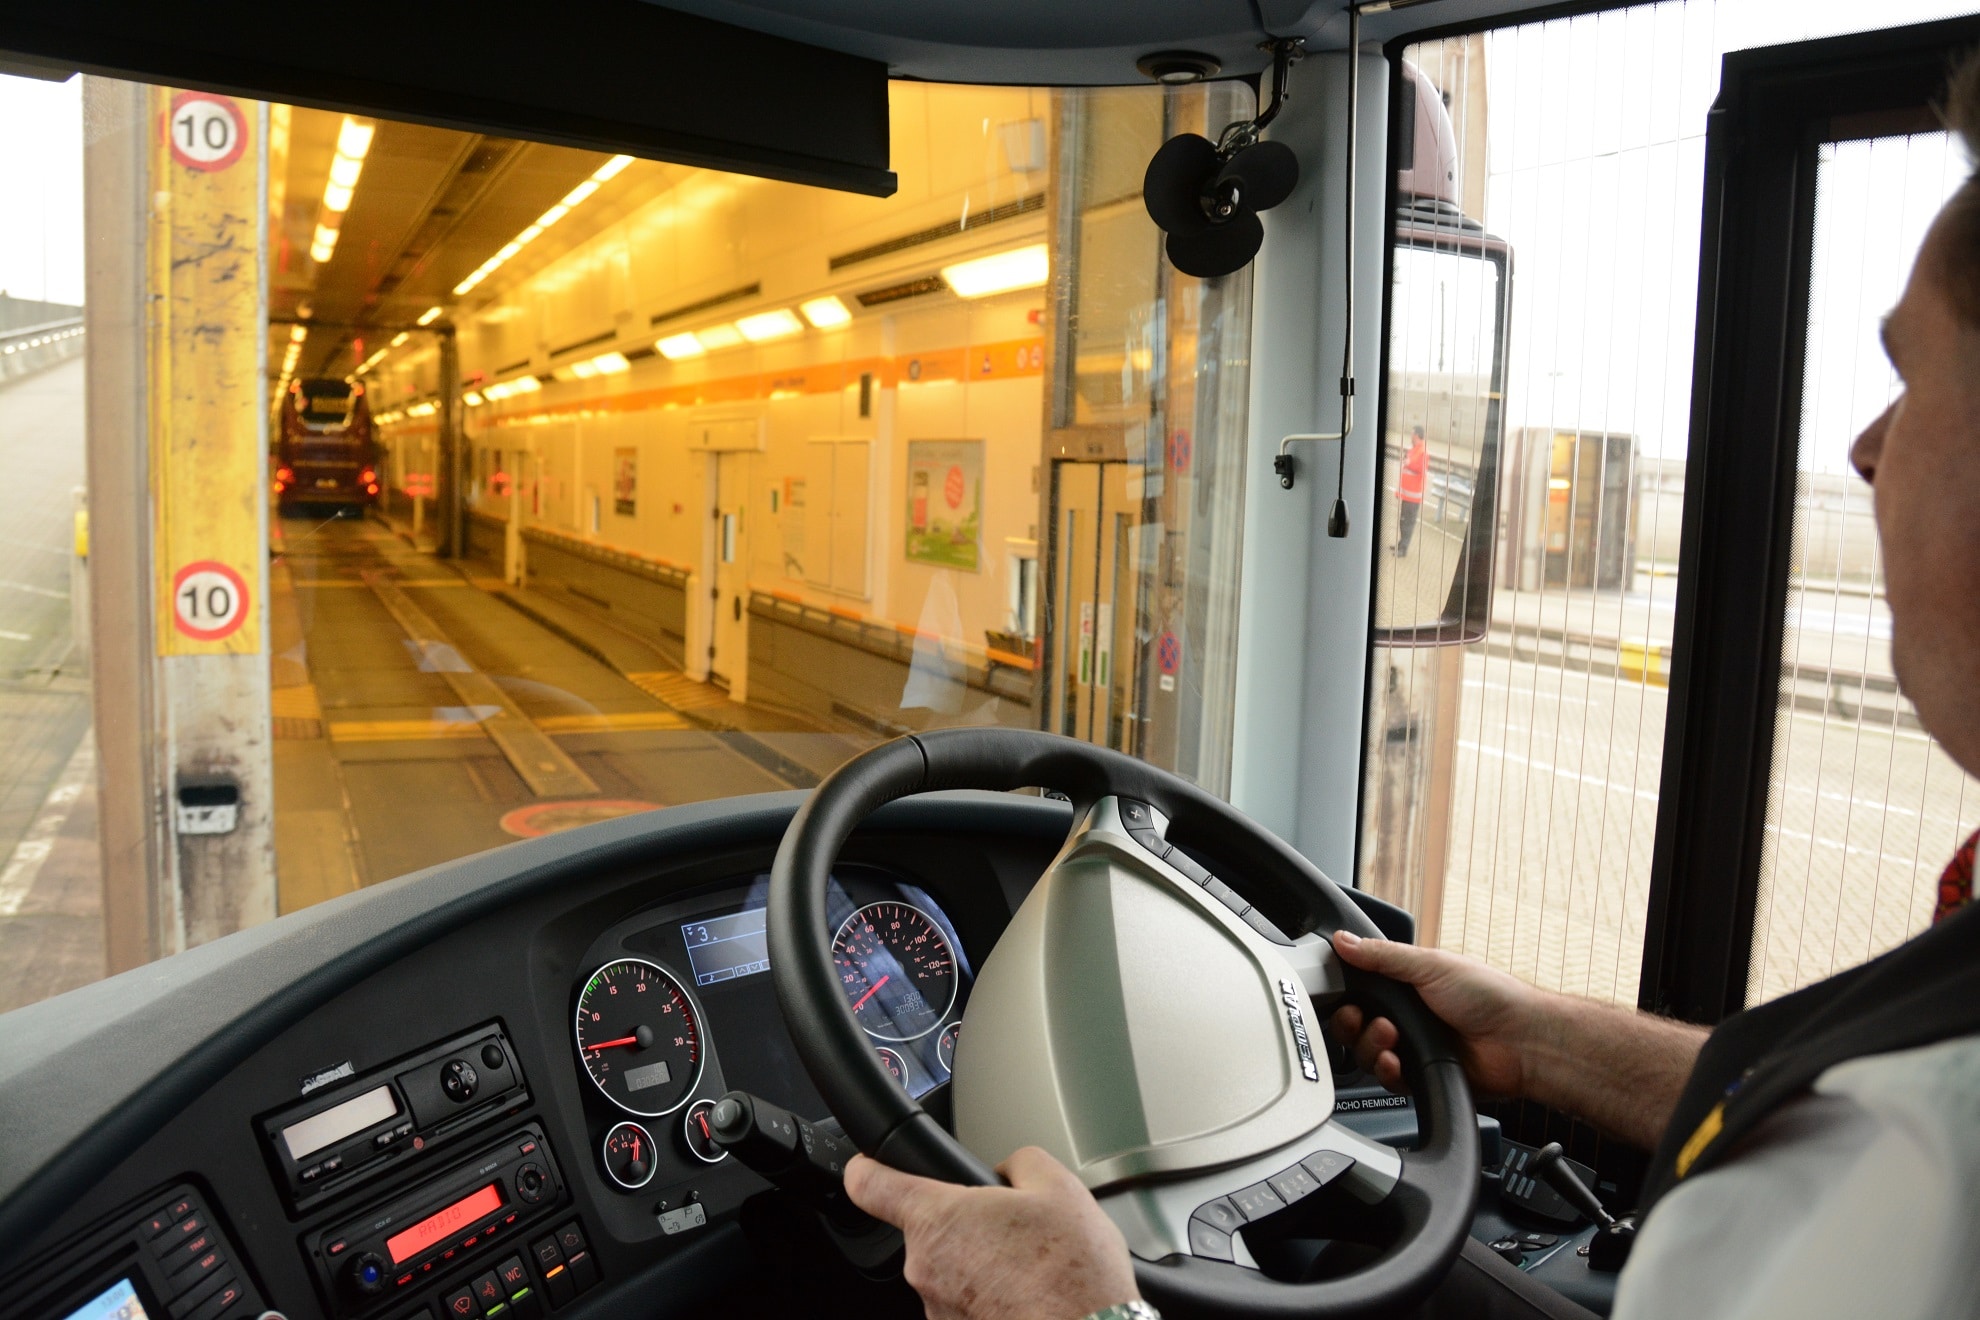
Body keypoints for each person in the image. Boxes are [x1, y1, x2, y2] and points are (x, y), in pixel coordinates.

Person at [843, 52, 1980, 1320]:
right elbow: (1823, 1082)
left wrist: (1091, 1313)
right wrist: (1539, 1038)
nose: (1866, 449)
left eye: (1912, 376)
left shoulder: (1932, 1164)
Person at [1396, 426, 1429, 556]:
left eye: (1412, 433)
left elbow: (1421, 468)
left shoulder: (1423, 451)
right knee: (1403, 521)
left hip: (1413, 496)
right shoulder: (1413, 450)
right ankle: (1401, 544)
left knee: (1408, 523)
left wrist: (1408, 462)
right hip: (1407, 494)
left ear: (1416, 435)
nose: (1410, 436)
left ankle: (1403, 549)